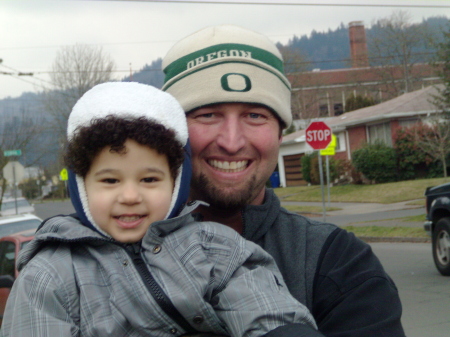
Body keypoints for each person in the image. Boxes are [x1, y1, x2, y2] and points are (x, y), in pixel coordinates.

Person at [0, 82, 321, 337]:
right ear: (81, 187)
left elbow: (266, 311)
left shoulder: (217, 249)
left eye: (149, 178)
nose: (129, 195)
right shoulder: (48, 277)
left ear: (176, 182)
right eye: (110, 179)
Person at [161, 24, 406, 337]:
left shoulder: (338, 263)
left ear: (280, 132)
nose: (232, 142)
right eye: (208, 114)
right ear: (172, 131)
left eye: (255, 115)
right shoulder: (110, 252)